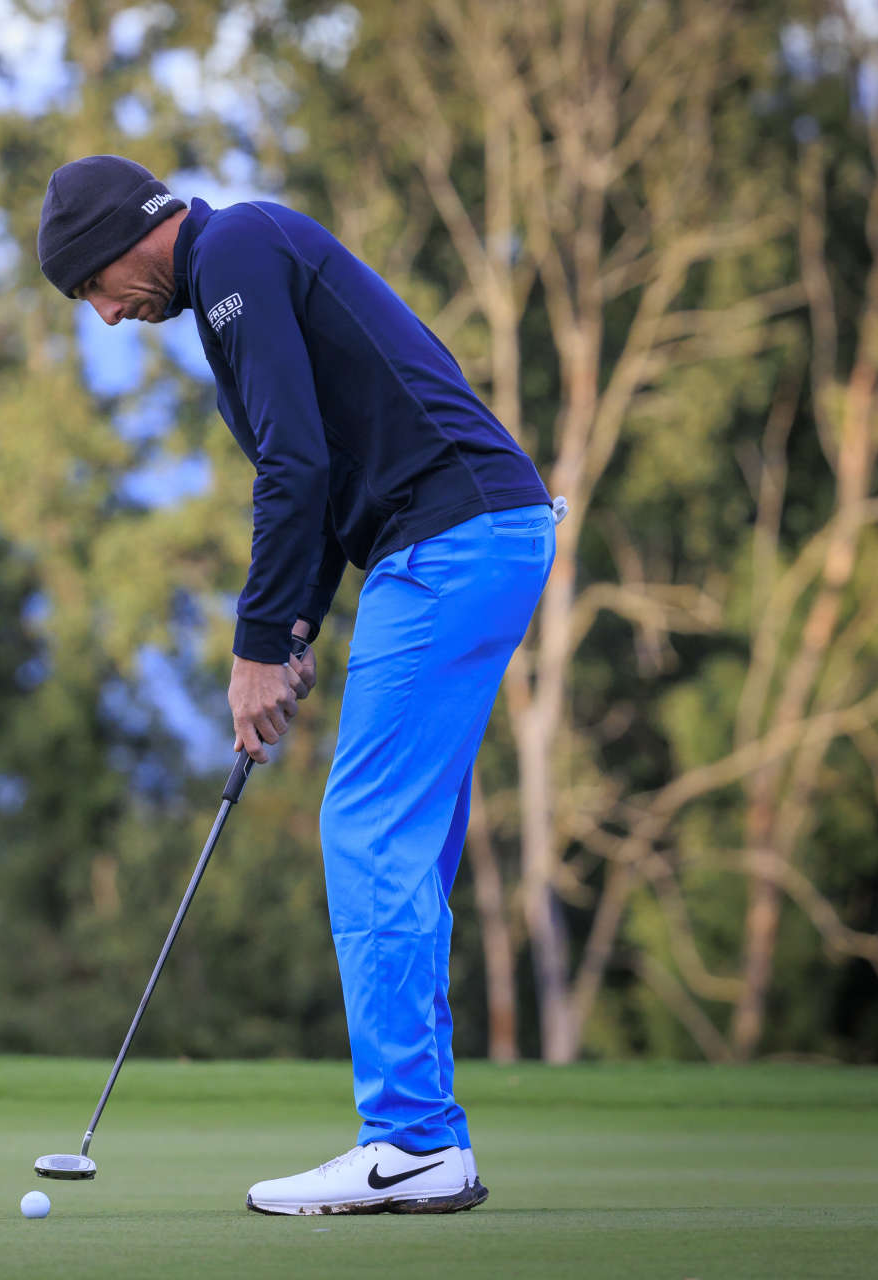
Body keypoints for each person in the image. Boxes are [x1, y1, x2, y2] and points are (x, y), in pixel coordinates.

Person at [35, 155, 560, 1215]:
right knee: (404, 845)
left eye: (90, 288)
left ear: (120, 242)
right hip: (473, 535)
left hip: (451, 539)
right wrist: (299, 623)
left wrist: (256, 647)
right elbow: (318, 479)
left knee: (365, 830)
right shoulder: (242, 260)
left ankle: (410, 1139)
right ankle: (427, 1137)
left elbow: (295, 466)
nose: (103, 315)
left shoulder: (230, 251)